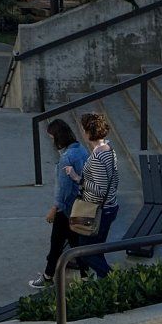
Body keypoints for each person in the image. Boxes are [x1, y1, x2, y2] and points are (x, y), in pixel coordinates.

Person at [30, 119, 87, 289]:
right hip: (80, 205)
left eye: (51, 137)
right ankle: (84, 276)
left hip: (66, 209)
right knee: (75, 243)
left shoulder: (66, 158)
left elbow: (64, 189)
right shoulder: (82, 150)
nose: (51, 140)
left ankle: (48, 277)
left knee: (57, 243)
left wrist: (54, 209)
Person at [71, 111, 121, 277]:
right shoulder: (109, 149)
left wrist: (78, 179)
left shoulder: (98, 157)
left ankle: (110, 277)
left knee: (85, 251)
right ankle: (105, 282)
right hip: (109, 207)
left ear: (88, 132)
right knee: (97, 250)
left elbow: (100, 189)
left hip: (97, 211)